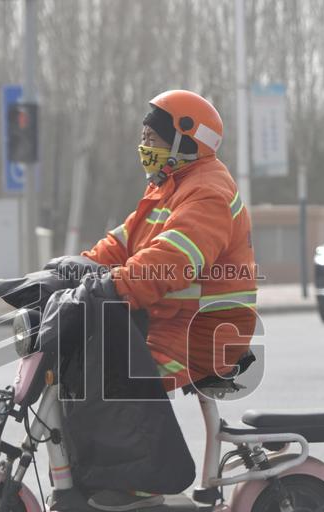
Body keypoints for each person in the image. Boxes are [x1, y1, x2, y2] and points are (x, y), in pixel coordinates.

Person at [81, 89, 258, 393]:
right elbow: (123, 244)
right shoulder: (168, 186)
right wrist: (74, 269)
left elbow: (171, 260)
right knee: (81, 361)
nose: (143, 147)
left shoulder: (207, 191)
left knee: (108, 379)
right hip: (169, 322)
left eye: (151, 138)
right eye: (143, 137)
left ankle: (145, 443)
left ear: (184, 142)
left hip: (201, 334)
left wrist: (113, 286)